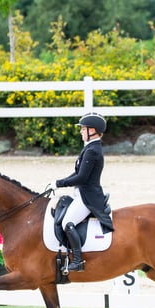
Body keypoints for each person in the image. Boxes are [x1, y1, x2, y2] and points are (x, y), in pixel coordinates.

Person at [49, 112, 114, 272]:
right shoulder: (90, 148)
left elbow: (82, 177)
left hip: (88, 197)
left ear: (92, 130)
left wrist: (60, 183)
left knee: (67, 223)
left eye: (83, 129)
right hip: (81, 193)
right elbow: (77, 173)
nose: (80, 132)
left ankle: (78, 260)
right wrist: (59, 182)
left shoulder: (92, 151)